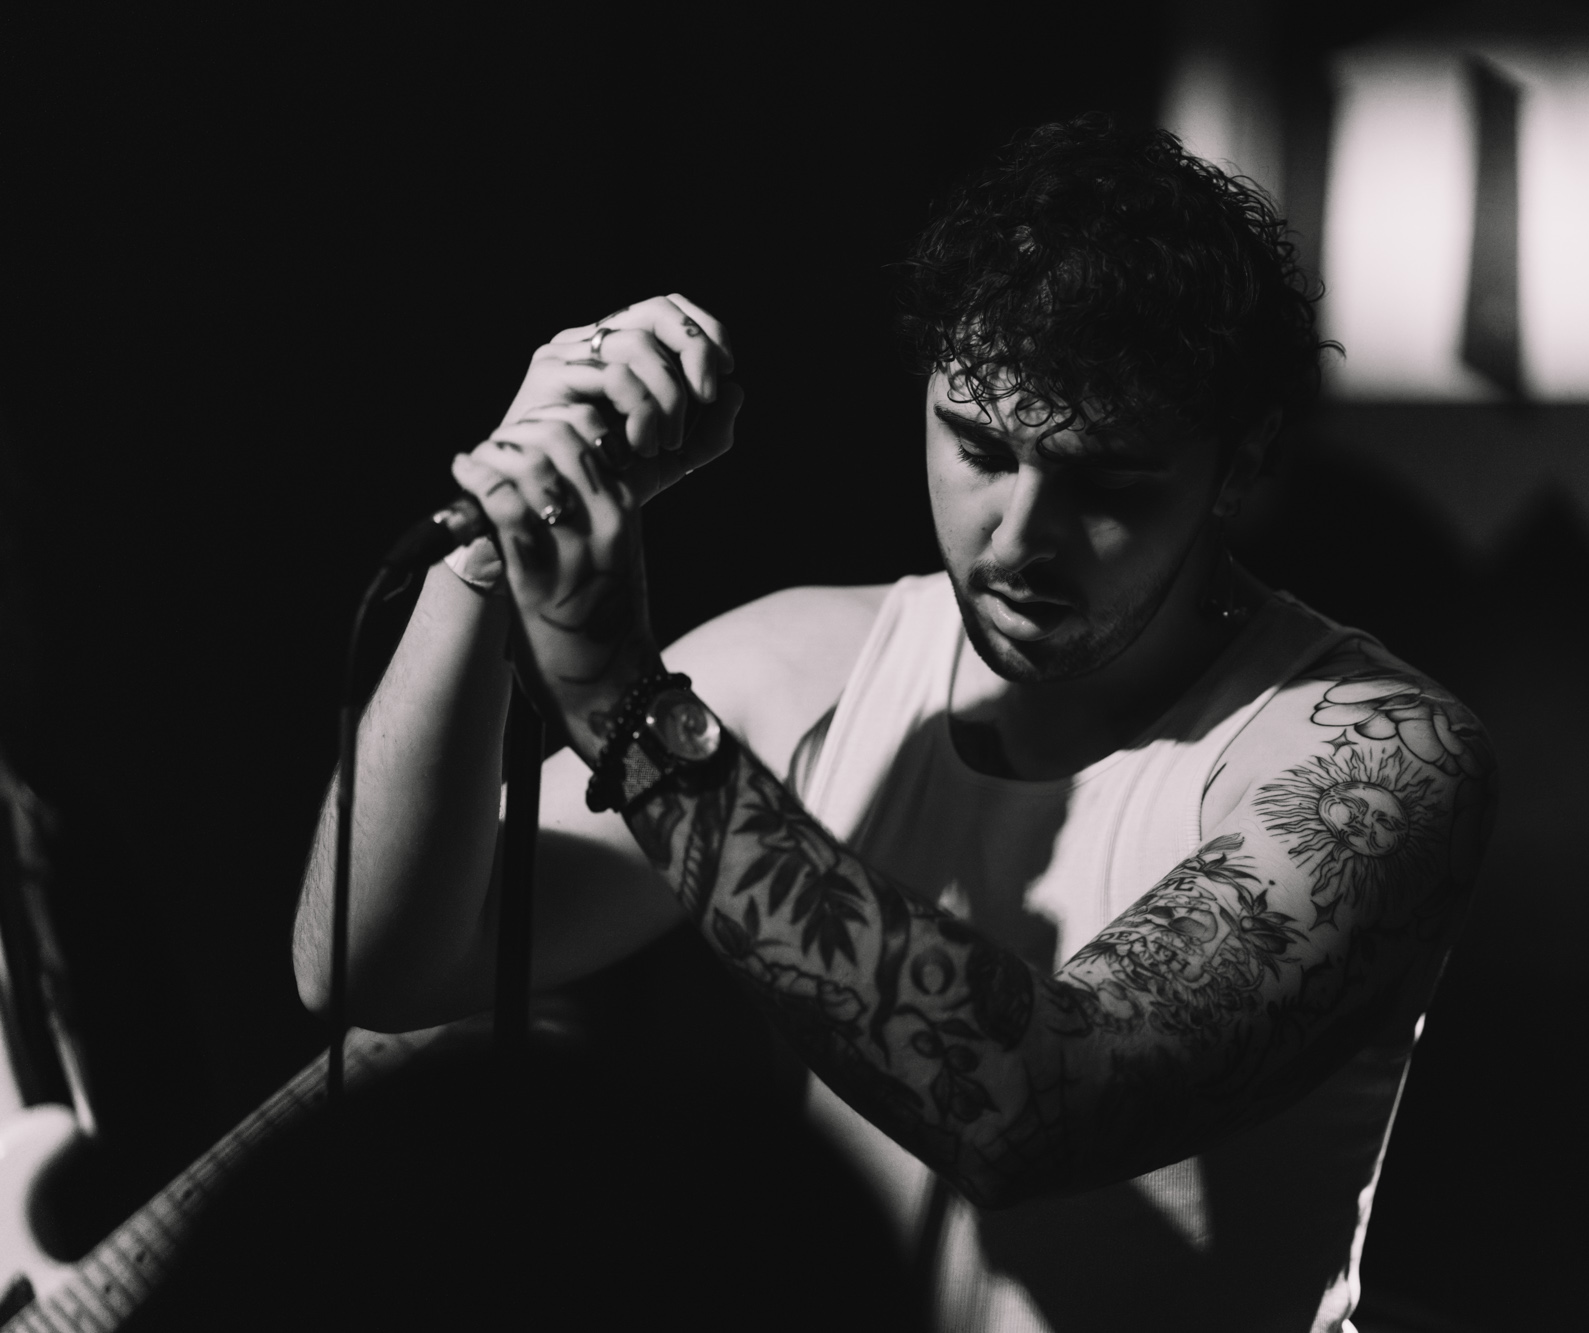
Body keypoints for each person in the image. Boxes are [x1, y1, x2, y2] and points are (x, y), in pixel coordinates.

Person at [293, 116, 1496, 1333]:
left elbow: (1041, 1104)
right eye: (978, 448)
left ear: (1239, 466)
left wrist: (625, 702)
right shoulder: (822, 662)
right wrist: (495, 533)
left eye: (1106, 483)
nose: (1018, 538)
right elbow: (369, 963)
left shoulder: (1369, 752)